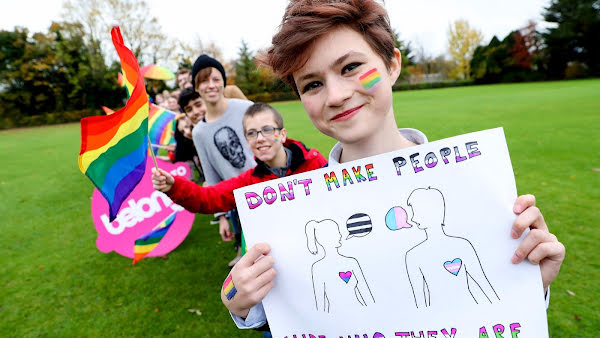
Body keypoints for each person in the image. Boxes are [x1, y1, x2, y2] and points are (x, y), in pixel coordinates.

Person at [221, 0, 565, 331]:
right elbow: (304, 309)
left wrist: (530, 287)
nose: (336, 95)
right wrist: (240, 301)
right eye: (312, 84)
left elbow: (486, 306)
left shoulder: (474, 186)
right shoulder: (295, 213)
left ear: (392, 65)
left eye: (350, 67)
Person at [151, 102, 327, 238]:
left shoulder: (315, 164)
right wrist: (173, 186)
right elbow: (208, 198)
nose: (259, 139)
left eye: (267, 130)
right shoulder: (248, 182)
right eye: (251, 133)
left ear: (282, 134)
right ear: (246, 141)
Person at [190, 54, 256, 265]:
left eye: (216, 79)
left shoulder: (245, 108)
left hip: (267, 188)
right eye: (204, 81)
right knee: (254, 258)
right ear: (196, 87)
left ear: (223, 82)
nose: (211, 85)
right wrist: (221, 217)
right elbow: (211, 176)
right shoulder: (199, 132)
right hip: (237, 202)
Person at [405, 187, 500, 308]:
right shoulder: (413, 256)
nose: (413, 218)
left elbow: (482, 282)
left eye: (417, 211)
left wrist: (501, 308)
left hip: (471, 310)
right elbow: (419, 299)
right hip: (437, 318)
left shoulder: (462, 245)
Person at [305, 219, 375, 312]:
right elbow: (320, 302)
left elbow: (366, 293)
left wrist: (373, 311)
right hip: (335, 319)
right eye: (337, 232)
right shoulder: (317, 268)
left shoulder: (351, 262)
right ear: (327, 238)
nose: (340, 235)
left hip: (360, 310)